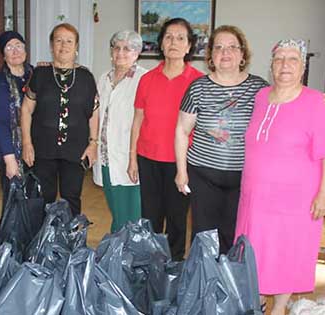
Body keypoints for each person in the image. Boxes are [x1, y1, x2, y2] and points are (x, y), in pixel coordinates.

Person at [234, 39, 325, 315]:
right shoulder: (261, 97)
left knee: (287, 251)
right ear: (271, 66)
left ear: (303, 66)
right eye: (279, 59)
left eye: (292, 59)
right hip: (255, 196)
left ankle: (280, 306)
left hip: (294, 201)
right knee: (255, 248)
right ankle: (256, 299)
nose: (285, 65)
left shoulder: (316, 102)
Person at [174, 25, 268, 254]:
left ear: (242, 54)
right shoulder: (198, 87)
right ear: (211, 56)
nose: (225, 53)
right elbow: (181, 131)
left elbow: (286, 109)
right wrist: (181, 171)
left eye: (232, 47)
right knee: (203, 235)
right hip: (203, 173)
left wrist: (318, 102)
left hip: (243, 177)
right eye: (219, 47)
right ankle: (203, 283)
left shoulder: (260, 88)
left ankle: (227, 282)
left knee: (233, 234)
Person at [128, 18, 203, 260]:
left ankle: (175, 268)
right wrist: (132, 159)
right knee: (150, 217)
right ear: (161, 43)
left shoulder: (198, 82)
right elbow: (137, 120)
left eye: (181, 38)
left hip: (182, 161)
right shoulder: (147, 79)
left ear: (189, 46)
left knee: (177, 218)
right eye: (169, 37)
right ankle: (150, 267)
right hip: (148, 158)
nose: (174, 42)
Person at [21, 23, 99, 216]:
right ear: (51, 46)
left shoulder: (86, 77)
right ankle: (41, 242)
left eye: (69, 41)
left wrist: (93, 143)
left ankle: (70, 243)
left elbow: (94, 112)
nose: (63, 46)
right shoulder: (39, 74)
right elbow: (26, 110)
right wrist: (26, 142)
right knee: (41, 198)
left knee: (71, 199)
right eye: (58, 40)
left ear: (76, 48)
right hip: (42, 149)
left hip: (75, 150)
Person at [92, 30, 147, 232]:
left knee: (131, 213)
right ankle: (117, 253)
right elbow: (96, 114)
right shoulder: (103, 78)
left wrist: (134, 158)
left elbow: (144, 121)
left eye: (127, 48)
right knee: (116, 209)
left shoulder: (144, 79)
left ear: (137, 53)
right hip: (106, 156)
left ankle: (128, 254)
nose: (121, 53)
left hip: (129, 156)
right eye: (116, 47)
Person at [0, 30, 33, 208]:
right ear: (3, 54)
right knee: (16, 202)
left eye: (18, 46)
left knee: (38, 198)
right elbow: (0, 123)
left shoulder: (37, 75)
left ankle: (39, 236)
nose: (15, 51)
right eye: (9, 47)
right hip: (12, 150)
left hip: (39, 148)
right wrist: (9, 160)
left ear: (25, 50)